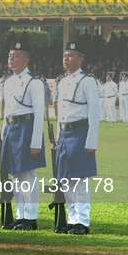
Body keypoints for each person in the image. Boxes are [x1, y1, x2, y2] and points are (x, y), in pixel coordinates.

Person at [0, 39, 46, 231]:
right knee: (15, 174)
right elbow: (6, 112)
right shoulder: (8, 82)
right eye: (10, 55)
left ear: (26, 60)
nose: (11, 58)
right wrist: (3, 137)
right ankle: (20, 215)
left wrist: (36, 142)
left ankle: (31, 216)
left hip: (26, 127)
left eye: (16, 56)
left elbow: (39, 113)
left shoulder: (34, 82)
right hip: (11, 129)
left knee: (27, 174)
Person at [55, 41, 99, 235]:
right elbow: (59, 112)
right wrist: (57, 138)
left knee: (80, 180)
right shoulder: (62, 81)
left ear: (80, 59)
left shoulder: (88, 80)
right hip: (64, 133)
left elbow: (94, 113)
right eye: (65, 55)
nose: (66, 59)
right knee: (66, 180)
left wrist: (91, 141)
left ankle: (82, 221)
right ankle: (72, 219)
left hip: (80, 132)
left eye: (71, 55)